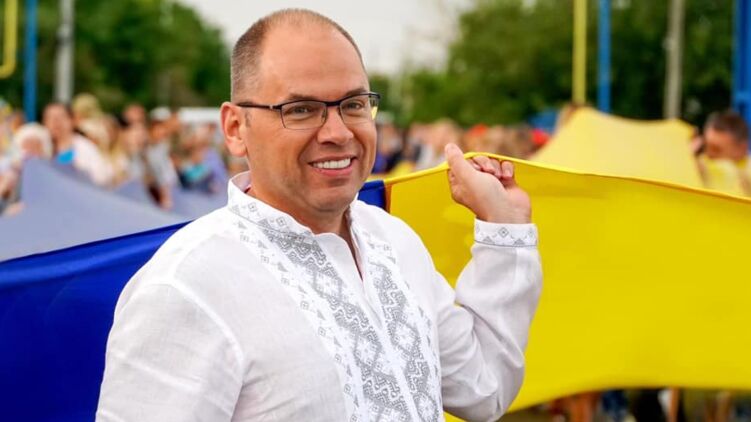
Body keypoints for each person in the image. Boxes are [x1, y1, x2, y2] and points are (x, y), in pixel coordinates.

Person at [97, 9, 541, 422]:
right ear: (235, 129)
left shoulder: (394, 241)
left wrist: (503, 228)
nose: (337, 132)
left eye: (354, 104)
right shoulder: (185, 287)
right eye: (301, 110)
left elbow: (485, 390)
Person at [42, 103, 114, 187]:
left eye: (61, 117)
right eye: (50, 118)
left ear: (72, 120)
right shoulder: (42, 147)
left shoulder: (85, 148)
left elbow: (101, 177)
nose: (56, 122)